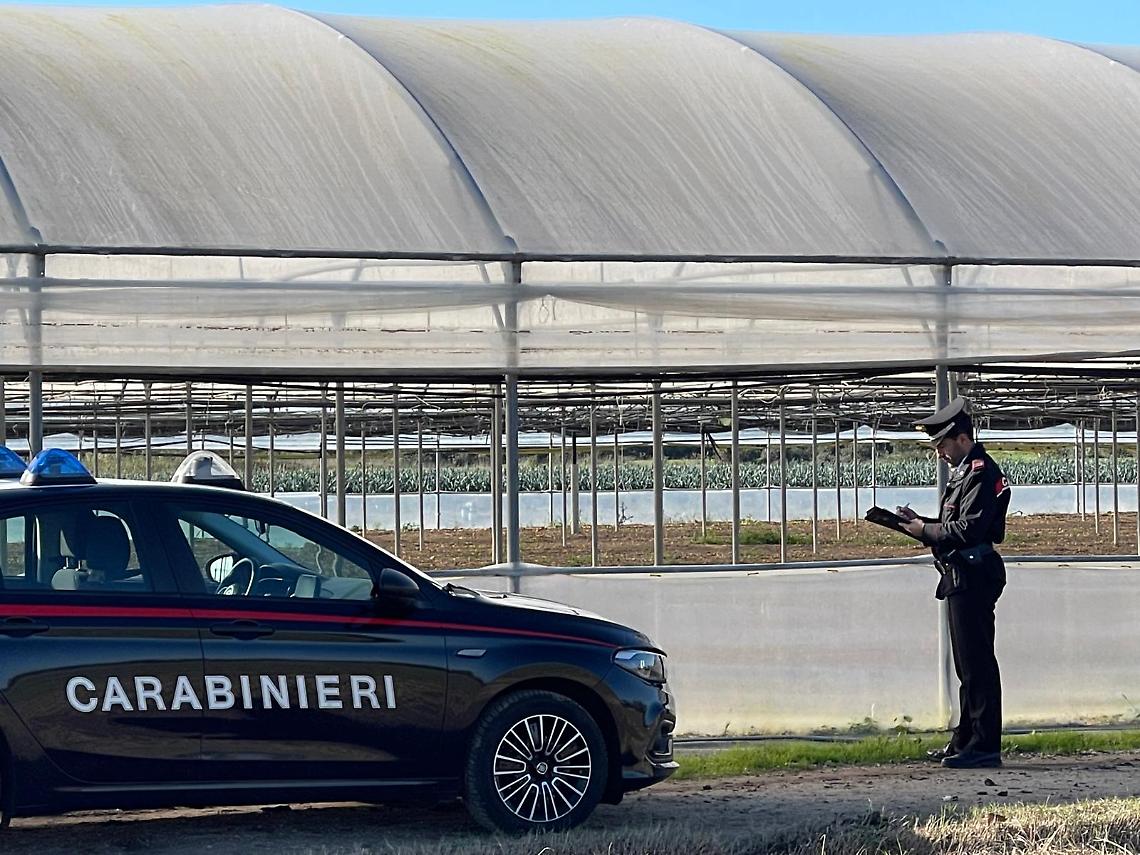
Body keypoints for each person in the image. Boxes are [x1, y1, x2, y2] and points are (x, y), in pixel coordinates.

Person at [897, 397, 1011, 769]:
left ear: (962, 438)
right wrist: (920, 524)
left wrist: (925, 530)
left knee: (977, 664)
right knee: (967, 665)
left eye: (943, 445)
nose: (940, 453)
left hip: (974, 573)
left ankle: (984, 745)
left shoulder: (979, 472)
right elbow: (954, 525)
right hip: (961, 573)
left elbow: (969, 529)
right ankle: (966, 738)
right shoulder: (966, 473)